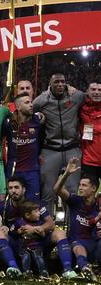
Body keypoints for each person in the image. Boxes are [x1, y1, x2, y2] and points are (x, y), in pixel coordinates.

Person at [0, 176, 77, 279]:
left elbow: (50, 223)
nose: (13, 191)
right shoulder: (3, 207)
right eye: (10, 188)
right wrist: (4, 227)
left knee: (60, 233)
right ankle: (13, 268)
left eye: (16, 187)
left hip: (39, 241)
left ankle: (67, 270)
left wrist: (35, 229)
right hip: (18, 244)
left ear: (23, 189)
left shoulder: (35, 204)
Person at [33, 71, 86, 215]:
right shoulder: (41, 100)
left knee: (73, 191)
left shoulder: (76, 96)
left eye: (63, 81)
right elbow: (27, 112)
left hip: (72, 149)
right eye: (56, 82)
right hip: (50, 150)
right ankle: (48, 229)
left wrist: (73, 88)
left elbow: (93, 100)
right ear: (50, 84)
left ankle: (74, 229)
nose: (60, 84)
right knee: (48, 191)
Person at [54, 157, 98, 281]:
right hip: (77, 244)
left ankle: (91, 267)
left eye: (84, 185)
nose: (80, 188)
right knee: (78, 247)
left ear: (93, 189)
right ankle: (85, 267)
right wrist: (67, 174)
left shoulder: (98, 205)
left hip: (94, 244)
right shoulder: (76, 201)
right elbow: (57, 189)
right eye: (80, 185)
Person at [4, 93, 41, 201]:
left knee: (32, 204)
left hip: (32, 170)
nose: (31, 105)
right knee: (12, 203)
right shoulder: (9, 123)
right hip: (14, 170)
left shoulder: (37, 121)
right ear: (18, 107)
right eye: (27, 102)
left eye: (31, 102)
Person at [14, 201, 48, 277]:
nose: (39, 213)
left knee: (38, 256)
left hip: (36, 246)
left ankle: (43, 271)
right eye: (36, 211)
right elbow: (13, 231)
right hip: (23, 247)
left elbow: (43, 236)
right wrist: (19, 231)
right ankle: (26, 271)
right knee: (26, 256)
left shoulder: (39, 223)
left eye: (39, 210)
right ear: (27, 215)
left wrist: (41, 232)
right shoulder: (19, 222)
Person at [80, 81, 101, 179]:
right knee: (87, 193)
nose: (97, 92)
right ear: (87, 91)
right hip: (88, 161)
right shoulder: (80, 108)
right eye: (93, 89)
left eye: (100, 90)